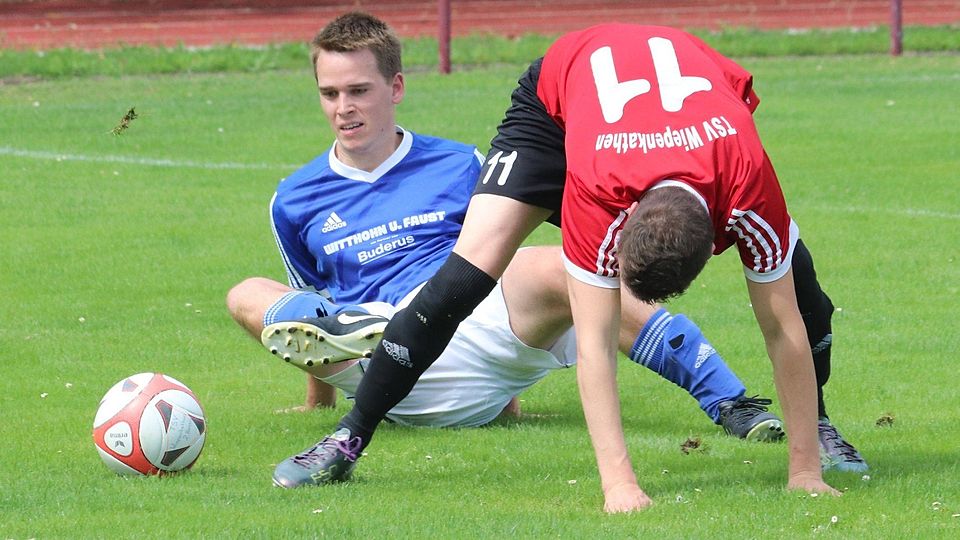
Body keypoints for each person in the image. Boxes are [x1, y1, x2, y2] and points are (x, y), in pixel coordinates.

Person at [272, 22, 869, 513]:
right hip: (557, 103)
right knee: (464, 275)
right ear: (623, 221)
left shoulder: (746, 184)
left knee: (802, 286)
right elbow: (596, 346)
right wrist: (620, 487)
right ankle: (348, 437)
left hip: (696, 127)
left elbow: (783, 324)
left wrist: (803, 475)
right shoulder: (599, 193)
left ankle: (812, 434)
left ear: (723, 229)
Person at [226, 12, 782, 437]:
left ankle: (729, 401)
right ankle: (374, 342)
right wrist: (315, 400)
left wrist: (504, 386)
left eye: (358, 90)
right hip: (374, 363)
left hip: (465, 323)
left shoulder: (458, 163)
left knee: (558, 265)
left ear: (395, 88)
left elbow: (493, 257)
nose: (343, 107)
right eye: (330, 94)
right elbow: (310, 309)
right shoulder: (293, 199)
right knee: (247, 294)